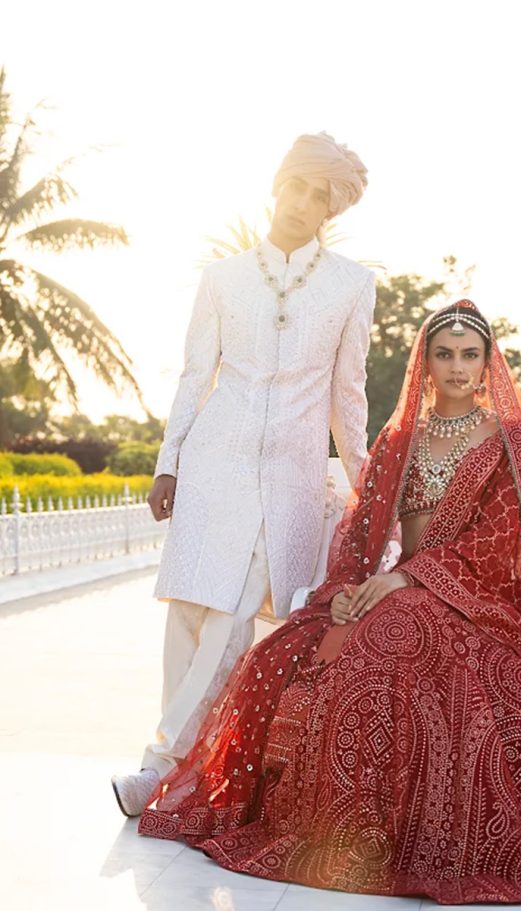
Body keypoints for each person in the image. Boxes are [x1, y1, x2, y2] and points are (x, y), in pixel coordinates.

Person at [138, 300, 521, 903]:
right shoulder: (400, 438)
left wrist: (412, 580)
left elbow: (500, 541)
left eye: (469, 354)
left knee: (404, 646)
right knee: (284, 651)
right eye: (444, 354)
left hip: (479, 599)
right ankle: (346, 835)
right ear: (424, 363)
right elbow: (360, 533)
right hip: (397, 587)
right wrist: (344, 591)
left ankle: (407, 840)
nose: (457, 367)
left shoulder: (510, 440)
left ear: (489, 362)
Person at [112, 133, 375, 816]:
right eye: (297, 186)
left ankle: (158, 764)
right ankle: (181, 774)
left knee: (232, 617)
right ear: (277, 185)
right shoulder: (222, 278)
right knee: (192, 615)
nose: (303, 203)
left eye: (319, 196)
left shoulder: (352, 285)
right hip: (212, 462)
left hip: (289, 477)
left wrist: (367, 481)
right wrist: (169, 462)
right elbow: (195, 375)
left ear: (331, 210)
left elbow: (348, 395)